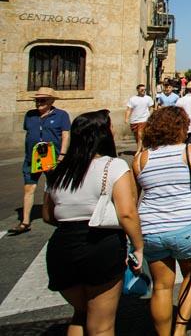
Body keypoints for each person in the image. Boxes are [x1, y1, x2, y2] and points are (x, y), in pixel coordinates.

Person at [42, 110, 144, 336]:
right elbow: (127, 213)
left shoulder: (58, 170)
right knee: (102, 326)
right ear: (102, 134)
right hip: (100, 245)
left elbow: (48, 215)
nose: (114, 130)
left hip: (62, 246)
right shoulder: (114, 166)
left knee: (80, 314)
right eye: (110, 127)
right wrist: (138, 245)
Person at [134, 107, 191, 336]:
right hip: (185, 226)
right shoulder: (190, 152)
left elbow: (133, 199)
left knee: (161, 287)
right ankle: (180, 330)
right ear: (180, 128)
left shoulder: (140, 159)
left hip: (151, 228)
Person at [9, 87, 71, 236]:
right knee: (29, 189)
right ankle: (25, 221)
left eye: (42, 100)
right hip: (32, 158)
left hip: (53, 158)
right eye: (37, 100)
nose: (39, 103)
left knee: (55, 187)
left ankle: (61, 217)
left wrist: (62, 155)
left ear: (51, 101)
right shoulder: (30, 116)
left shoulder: (61, 115)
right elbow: (29, 133)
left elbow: (65, 135)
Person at [125, 84, 154, 155]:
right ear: (137, 90)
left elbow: (151, 108)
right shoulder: (132, 99)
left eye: (145, 90)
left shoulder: (148, 98)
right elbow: (128, 109)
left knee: (140, 135)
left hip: (144, 120)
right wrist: (126, 118)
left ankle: (138, 152)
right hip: (134, 120)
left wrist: (149, 117)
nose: (143, 91)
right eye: (142, 90)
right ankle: (143, 149)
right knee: (137, 137)